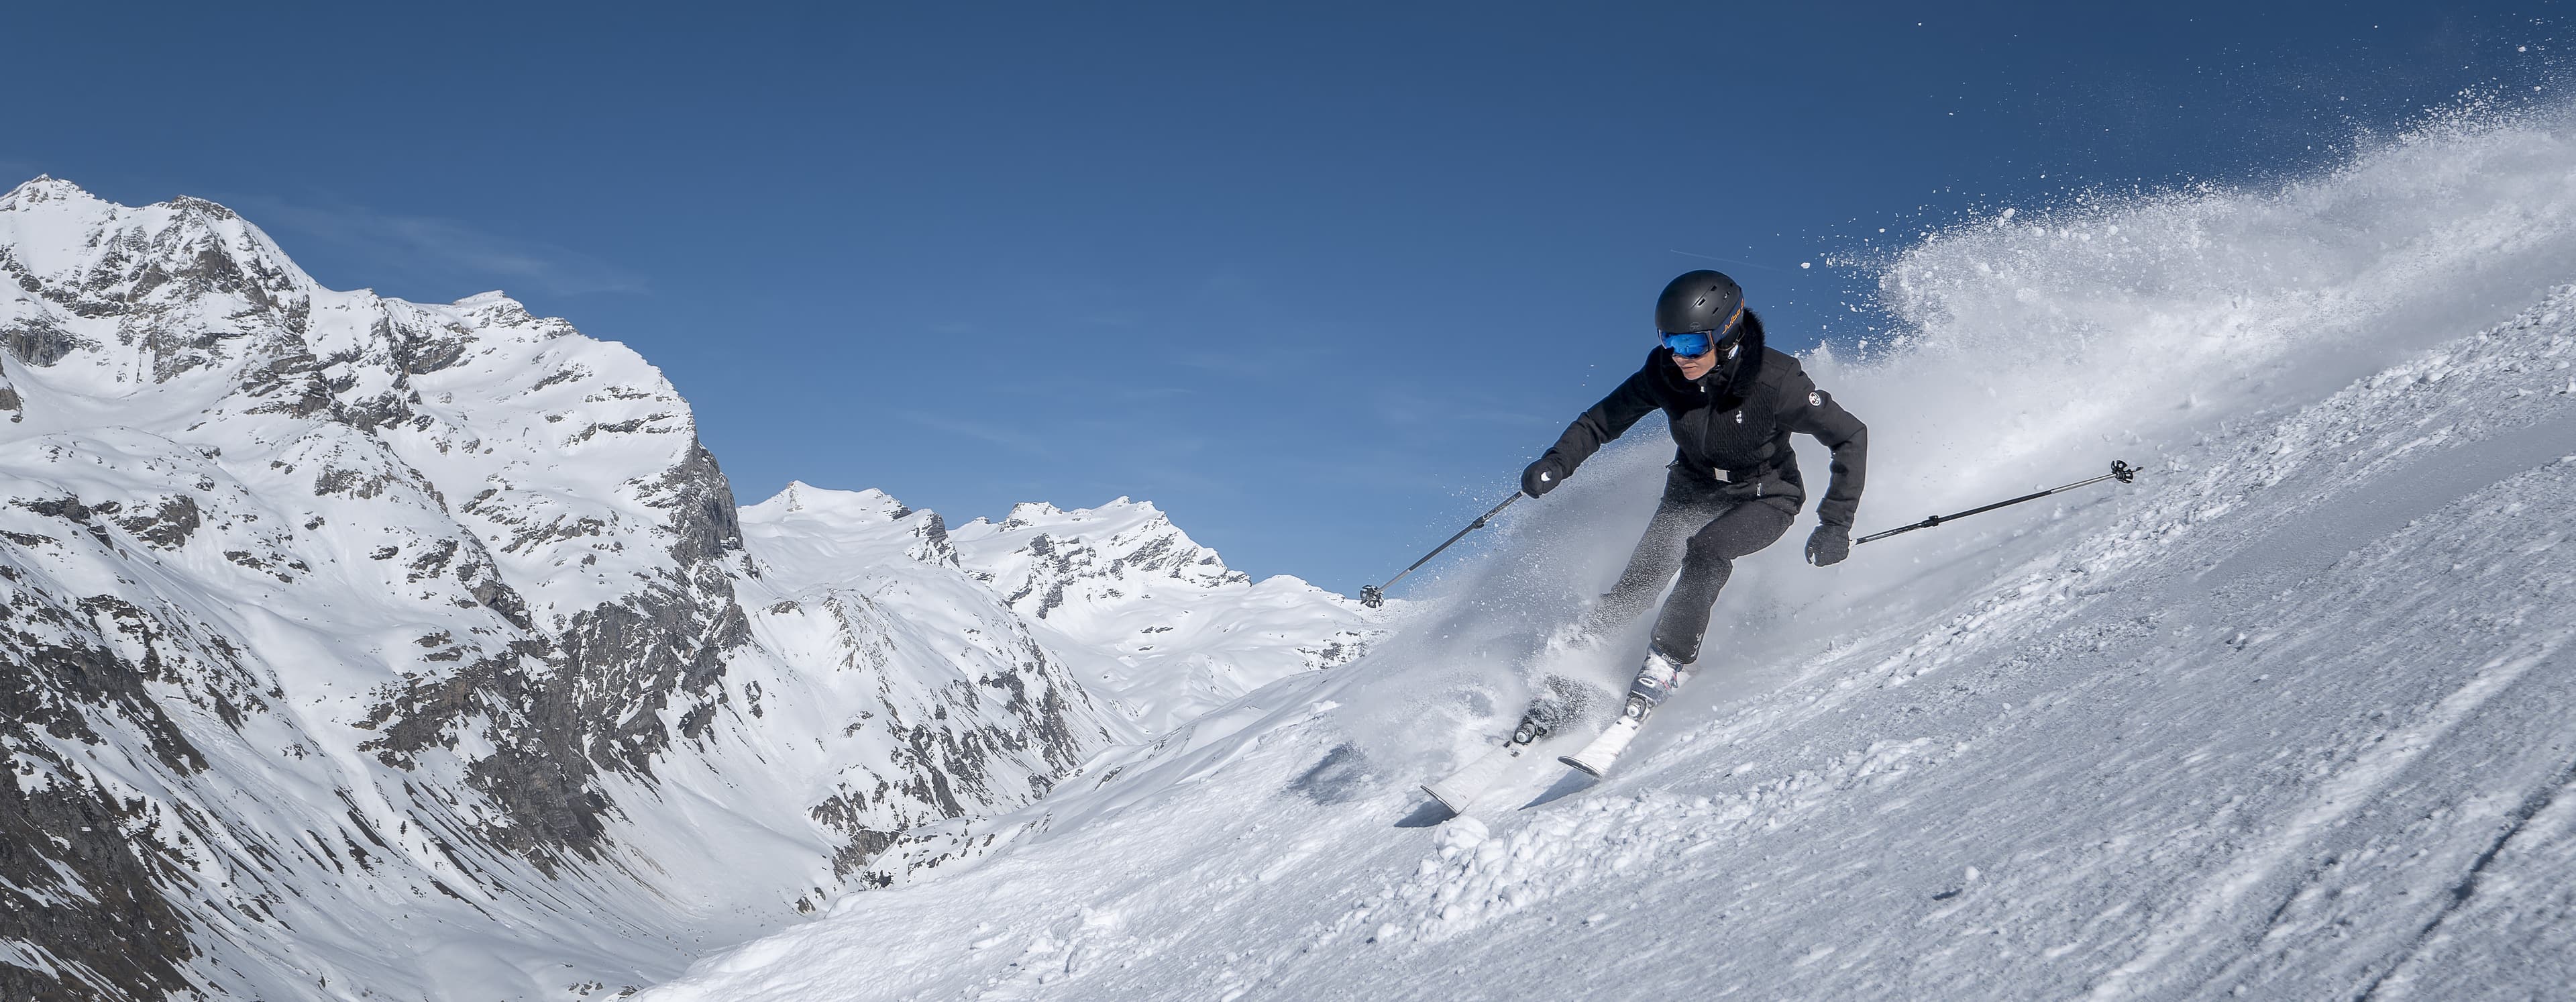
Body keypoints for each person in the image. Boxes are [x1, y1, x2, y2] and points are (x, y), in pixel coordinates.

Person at [1519, 269, 1868, 725]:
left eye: (1690, 345)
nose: (1677, 356)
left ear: (1726, 333)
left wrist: (1836, 522)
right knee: (1641, 579)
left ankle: (1667, 662)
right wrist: (1556, 463)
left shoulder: (1776, 381)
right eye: (1669, 340)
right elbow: (1600, 422)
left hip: (1764, 494)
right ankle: (1577, 661)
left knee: (1705, 551)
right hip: (1693, 486)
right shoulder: (1664, 371)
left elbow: (1850, 436)